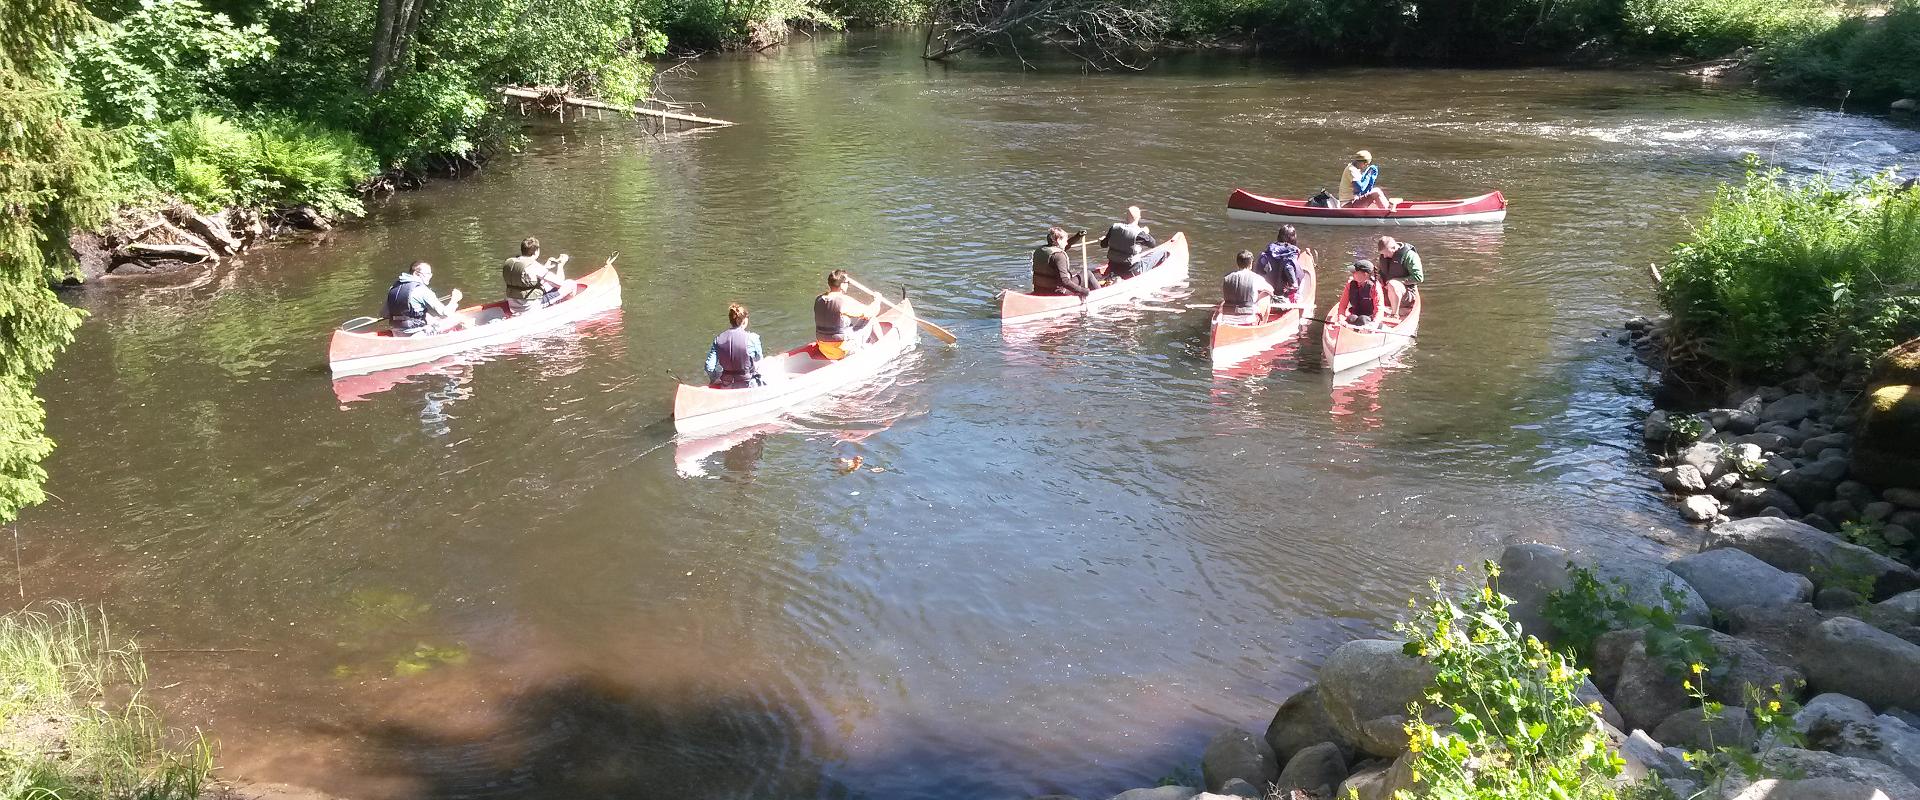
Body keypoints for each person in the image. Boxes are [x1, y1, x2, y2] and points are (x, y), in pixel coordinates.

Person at [384, 260, 463, 336]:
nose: (430, 276)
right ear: (416, 273)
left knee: (430, 317)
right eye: (427, 274)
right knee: (457, 317)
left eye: (430, 274)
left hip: (397, 332)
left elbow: (385, 314)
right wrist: (454, 299)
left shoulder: (393, 288)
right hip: (416, 333)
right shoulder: (422, 290)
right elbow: (445, 313)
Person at [814, 269, 874, 360]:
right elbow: (870, 312)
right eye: (847, 282)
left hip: (824, 349)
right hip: (841, 351)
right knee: (872, 318)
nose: (848, 285)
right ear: (842, 285)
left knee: (848, 326)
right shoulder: (843, 301)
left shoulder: (819, 299)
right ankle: (882, 343)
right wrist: (877, 300)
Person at [502, 237, 571, 315]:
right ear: (536, 252)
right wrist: (561, 265)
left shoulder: (511, 262)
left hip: (513, 306)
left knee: (546, 284)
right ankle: (565, 311)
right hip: (529, 308)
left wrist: (544, 267)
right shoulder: (534, 266)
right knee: (570, 284)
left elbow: (525, 280)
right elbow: (560, 283)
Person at [705, 303, 765, 388]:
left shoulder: (718, 339)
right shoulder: (752, 338)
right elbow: (758, 358)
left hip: (727, 384)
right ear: (744, 320)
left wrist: (714, 378)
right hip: (748, 384)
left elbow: (709, 367)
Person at [1098, 205, 1159, 280]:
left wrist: (1106, 238)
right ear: (1139, 217)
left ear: (1126, 217)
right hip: (1130, 270)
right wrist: (1145, 232)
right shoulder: (1139, 234)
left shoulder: (1114, 228)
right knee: (1162, 253)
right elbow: (1153, 244)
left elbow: (1103, 244)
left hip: (1113, 266)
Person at [1032, 226, 1095, 297]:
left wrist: (1077, 236)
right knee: (1088, 274)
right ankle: (1100, 295)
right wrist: (1082, 290)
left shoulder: (1041, 250)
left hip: (1039, 289)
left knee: (1073, 273)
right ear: (1058, 240)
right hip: (1055, 292)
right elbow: (1064, 281)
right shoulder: (1059, 256)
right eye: (1065, 241)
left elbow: (1066, 245)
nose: (1067, 243)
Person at [1219, 250, 1273, 325]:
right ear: (1251, 264)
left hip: (1226, 317)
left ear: (1237, 264)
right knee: (1267, 294)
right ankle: (1262, 324)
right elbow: (1271, 290)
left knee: (1225, 300)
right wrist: (1258, 297)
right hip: (1247, 319)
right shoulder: (1256, 278)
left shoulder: (1227, 277)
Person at [1254, 224, 1306, 303]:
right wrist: (1294, 284)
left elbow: (1259, 267)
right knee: (1303, 280)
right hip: (1283, 292)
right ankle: (1295, 299)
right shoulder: (1292, 251)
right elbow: (1288, 267)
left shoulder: (1270, 250)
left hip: (1267, 291)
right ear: (1293, 238)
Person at [1375, 235, 1425, 311]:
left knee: (1393, 284)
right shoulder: (1384, 255)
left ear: (1394, 248)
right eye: (1382, 254)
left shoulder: (1410, 256)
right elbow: (1381, 271)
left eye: (1386, 253)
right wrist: (1379, 278)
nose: (1384, 256)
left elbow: (1418, 278)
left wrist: (1397, 280)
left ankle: (1394, 314)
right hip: (1386, 291)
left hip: (1406, 293)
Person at [1342, 261, 1385, 327]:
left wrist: (1375, 322)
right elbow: (1343, 304)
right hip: (1356, 314)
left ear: (1365, 274)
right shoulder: (1350, 284)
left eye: (1355, 272)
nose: (1352, 274)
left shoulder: (1374, 286)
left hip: (1370, 317)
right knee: (1351, 319)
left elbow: (1379, 307)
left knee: (1362, 320)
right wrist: (1341, 318)